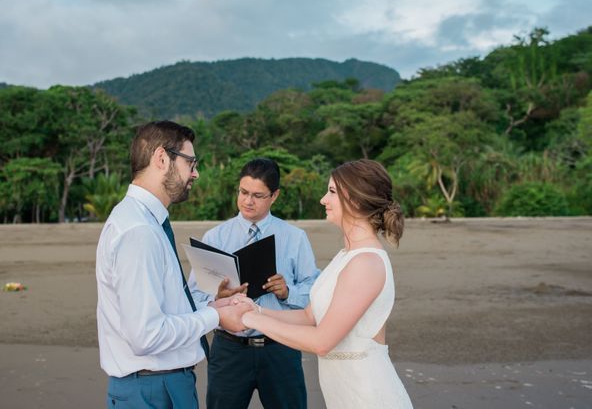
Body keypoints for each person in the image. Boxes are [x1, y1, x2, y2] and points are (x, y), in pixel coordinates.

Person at [95, 120, 250, 409]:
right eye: (191, 162)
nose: (196, 173)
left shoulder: (144, 220)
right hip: (153, 388)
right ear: (161, 158)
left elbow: (161, 309)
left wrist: (212, 306)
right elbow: (147, 335)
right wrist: (216, 319)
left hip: (159, 384)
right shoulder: (139, 231)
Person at [239, 159, 414, 408]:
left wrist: (250, 320)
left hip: (368, 396)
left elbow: (322, 341)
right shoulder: (346, 256)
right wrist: (253, 309)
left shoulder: (365, 263)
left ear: (355, 200)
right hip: (344, 394)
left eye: (331, 191)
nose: (323, 199)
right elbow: (310, 316)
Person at [189, 158, 320, 409]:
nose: (248, 201)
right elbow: (193, 296)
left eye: (258, 195)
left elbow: (315, 293)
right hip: (229, 350)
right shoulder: (215, 237)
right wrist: (218, 298)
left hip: (281, 347)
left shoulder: (295, 237)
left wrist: (287, 292)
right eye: (243, 192)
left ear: (275, 196)